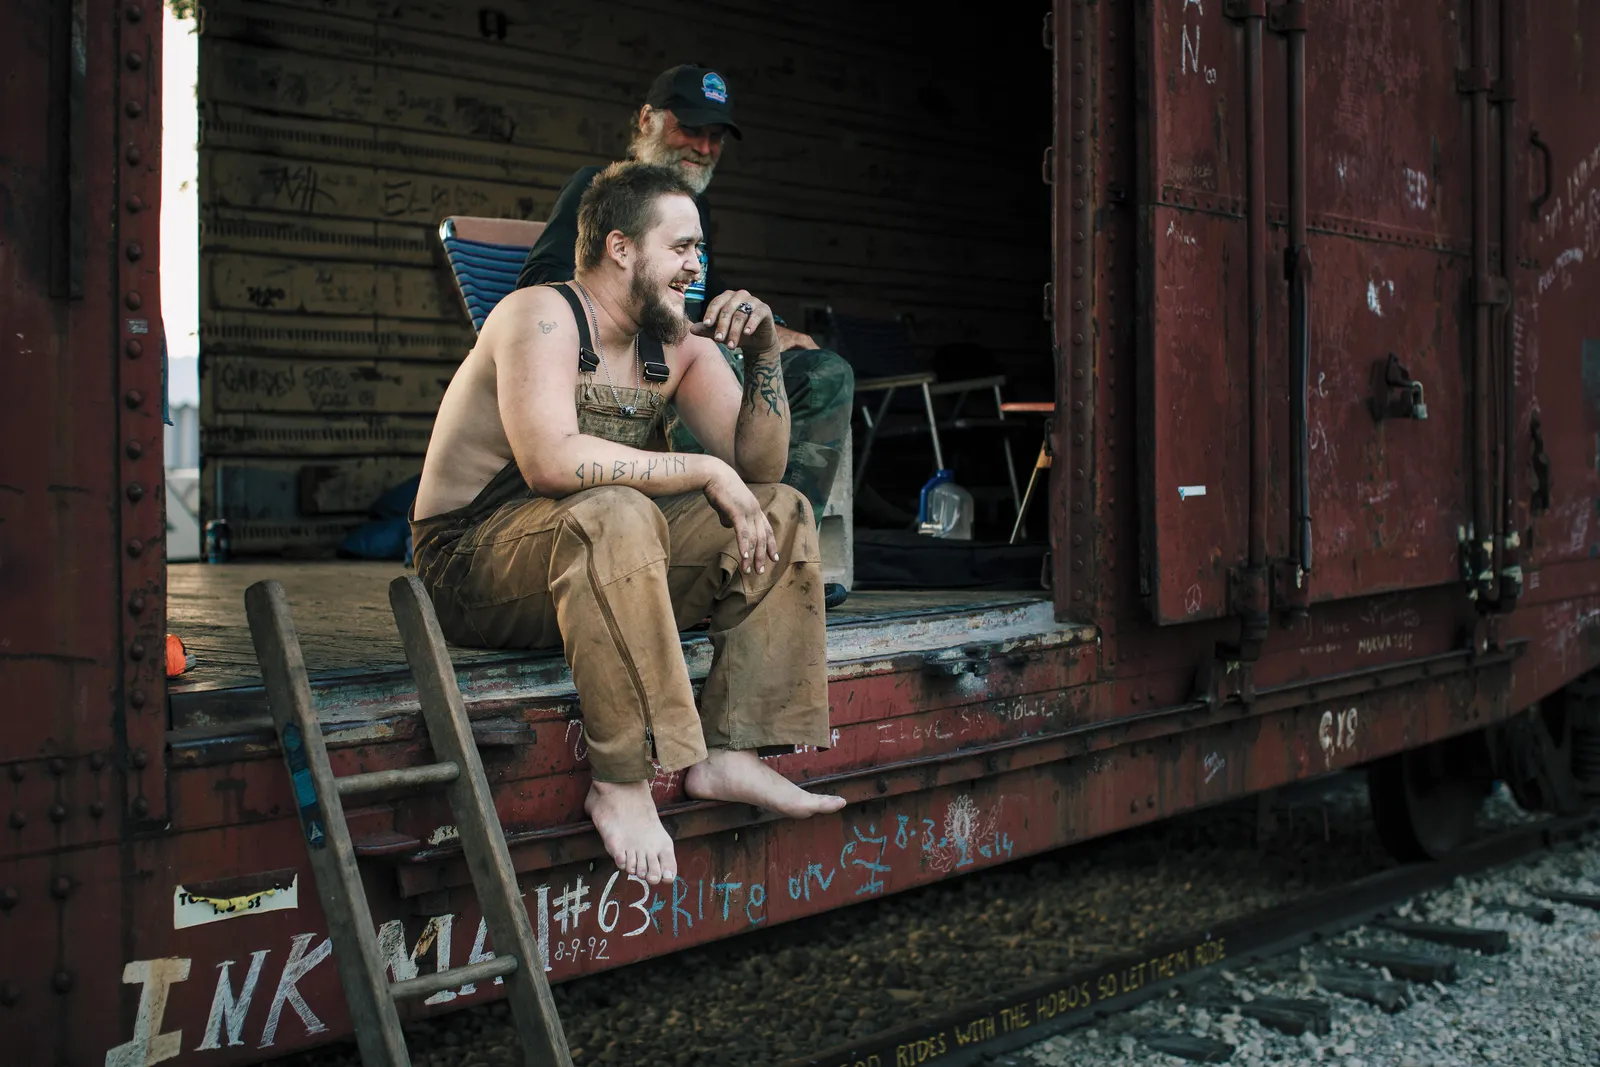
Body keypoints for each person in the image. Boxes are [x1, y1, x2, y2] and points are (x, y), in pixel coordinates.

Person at [412, 162, 847, 885]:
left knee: (783, 511)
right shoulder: (539, 315)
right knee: (615, 510)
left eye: (700, 250)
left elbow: (760, 468)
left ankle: (732, 750)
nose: (697, 265)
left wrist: (764, 351)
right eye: (680, 247)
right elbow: (551, 461)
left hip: (596, 553)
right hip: (471, 563)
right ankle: (619, 778)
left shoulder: (674, 340)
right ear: (620, 248)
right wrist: (705, 473)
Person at [514, 64, 854, 606]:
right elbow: (540, 286)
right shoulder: (598, 192)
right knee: (699, 360)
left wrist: (769, 333)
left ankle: (776, 540)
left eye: (715, 135)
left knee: (825, 373)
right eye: (690, 128)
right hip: (639, 371)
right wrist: (645, 323)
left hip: (698, 355)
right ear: (647, 119)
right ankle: (710, 546)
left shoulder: (693, 207)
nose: (703, 145)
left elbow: (702, 292)